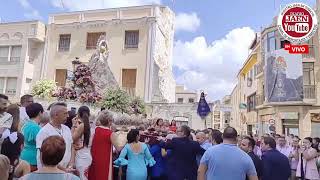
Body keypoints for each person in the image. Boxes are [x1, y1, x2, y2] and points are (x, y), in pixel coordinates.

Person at [36, 102, 75, 172]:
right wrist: (63, 170)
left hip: (66, 171)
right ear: (56, 115)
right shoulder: (44, 132)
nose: (68, 116)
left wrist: (70, 165)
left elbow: (72, 147)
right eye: (65, 113)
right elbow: (43, 156)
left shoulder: (67, 129)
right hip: (50, 173)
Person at [88, 110, 122, 180]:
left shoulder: (95, 130)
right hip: (105, 161)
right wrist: (126, 141)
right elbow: (118, 149)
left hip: (94, 159)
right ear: (110, 121)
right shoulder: (111, 133)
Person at [21, 103, 44, 172]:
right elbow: (42, 144)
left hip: (23, 156)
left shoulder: (25, 125)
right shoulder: (35, 128)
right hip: (33, 159)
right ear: (40, 113)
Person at [72, 106, 92, 180]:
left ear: (78, 114)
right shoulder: (90, 125)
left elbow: (71, 139)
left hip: (81, 156)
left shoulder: (81, 126)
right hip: (87, 154)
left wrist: (73, 125)